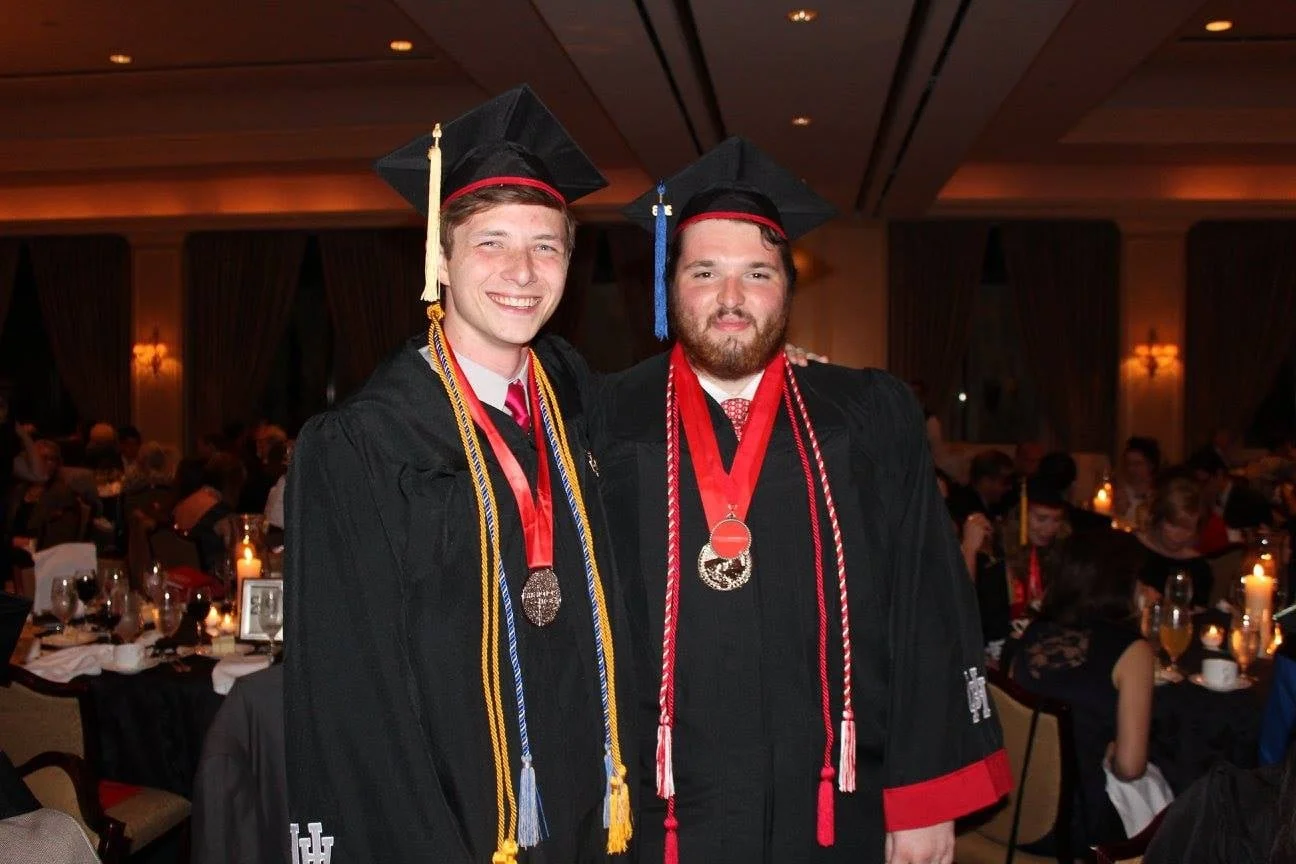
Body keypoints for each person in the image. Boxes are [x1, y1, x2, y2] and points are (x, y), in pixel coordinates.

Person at [599, 137, 1009, 864]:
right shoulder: (603, 420)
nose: (731, 299)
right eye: (704, 272)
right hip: (656, 814)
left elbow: (926, 604)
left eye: (757, 273)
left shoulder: (865, 415)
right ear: (669, 288)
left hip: (833, 804)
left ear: (788, 286)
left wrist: (922, 802)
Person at [284, 86, 635, 863]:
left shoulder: (576, 402)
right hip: (449, 819)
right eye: (490, 242)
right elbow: (351, 699)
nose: (522, 270)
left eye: (546, 245)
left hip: (590, 804)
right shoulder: (362, 447)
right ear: (439, 258)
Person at [1010, 536, 1155, 851]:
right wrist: (1113, 752)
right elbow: (1130, 768)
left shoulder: (1032, 632)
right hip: (1071, 829)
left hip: (1009, 813)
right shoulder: (1133, 651)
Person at [1134, 475, 1212, 608]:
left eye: (1187, 529)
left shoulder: (1199, 568)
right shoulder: (1132, 549)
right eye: (1173, 525)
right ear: (1158, 519)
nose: (1180, 535)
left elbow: (1197, 615)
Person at [1115, 436, 1161, 527]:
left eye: (1137, 464)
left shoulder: (1160, 493)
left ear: (1151, 465)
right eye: (1128, 463)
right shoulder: (1119, 493)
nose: (1131, 469)